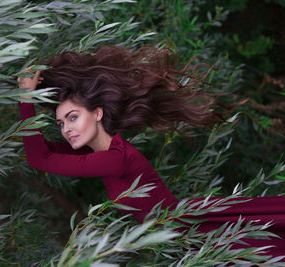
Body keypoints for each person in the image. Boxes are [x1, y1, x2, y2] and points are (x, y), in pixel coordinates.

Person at [17, 46, 285, 258]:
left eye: (73, 118)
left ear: (98, 112)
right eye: (61, 123)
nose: (66, 129)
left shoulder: (114, 160)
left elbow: (39, 158)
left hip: (193, 230)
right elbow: (40, 150)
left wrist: (25, 98)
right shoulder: (105, 152)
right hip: (182, 232)